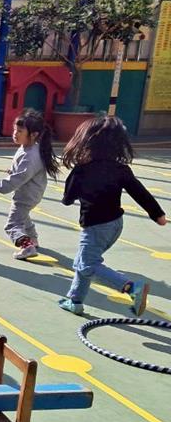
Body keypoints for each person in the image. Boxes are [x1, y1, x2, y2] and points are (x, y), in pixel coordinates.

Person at [58, 116, 166, 316]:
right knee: (84, 262)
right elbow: (140, 192)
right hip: (115, 225)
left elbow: (67, 198)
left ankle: (131, 288)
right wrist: (157, 215)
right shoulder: (120, 169)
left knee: (88, 264)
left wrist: (74, 184)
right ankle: (75, 300)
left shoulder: (82, 171)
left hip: (95, 227)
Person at [0, 109, 60, 260]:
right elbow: (22, 172)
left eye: (20, 131)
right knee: (23, 217)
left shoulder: (31, 155)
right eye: (15, 130)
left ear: (34, 134)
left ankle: (27, 247)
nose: (15, 134)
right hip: (31, 193)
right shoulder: (28, 148)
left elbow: (20, 177)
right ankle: (33, 239)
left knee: (12, 224)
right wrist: (13, 170)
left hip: (27, 195)